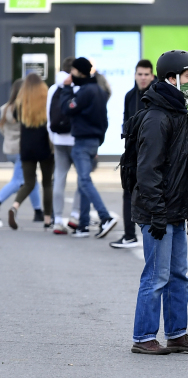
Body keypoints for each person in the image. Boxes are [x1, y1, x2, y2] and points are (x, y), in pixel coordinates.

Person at [130, 50, 188, 355]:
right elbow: (147, 171)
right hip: (158, 211)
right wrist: (157, 212)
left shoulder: (178, 111)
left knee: (179, 275)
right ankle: (144, 336)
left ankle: (177, 333)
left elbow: (170, 161)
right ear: (171, 78)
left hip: (175, 208)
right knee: (156, 275)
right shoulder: (157, 116)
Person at [66, 57, 118, 239]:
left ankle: (105, 217)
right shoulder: (99, 91)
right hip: (93, 141)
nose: (71, 74)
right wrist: (99, 141)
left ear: (79, 72)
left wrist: (66, 89)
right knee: (82, 183)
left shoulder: (85, 91)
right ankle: (83, 225)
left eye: (73, 71)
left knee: (85, 181)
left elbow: (68, 109)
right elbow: (104, 120)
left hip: (82, 141)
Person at [110, 59, 154, 249]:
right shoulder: (130, 96)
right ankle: (129, 235)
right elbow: (125, 121)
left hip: (153, 155)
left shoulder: (157, 95)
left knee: (152, 195)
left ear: (152, 76)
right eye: (140, 74)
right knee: (128, 193)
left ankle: (154, 236)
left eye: (146, 74)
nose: (143, 78)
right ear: (135, 75)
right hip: (133, 154)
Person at [7, 74, 53, 230]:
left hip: (26, 147)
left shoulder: (21, 104)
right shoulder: (47, 101)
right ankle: (47, 219)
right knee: (47, 183)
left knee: (28, 183)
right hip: (45, 147)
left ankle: (14, 206)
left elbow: (15, 117)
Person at [0, 79, 44, 224]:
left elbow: (2, 129)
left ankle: (38, 211)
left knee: (31, 180)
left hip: (9, 149)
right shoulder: (24, 109)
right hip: (22, 150)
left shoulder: (4, 108)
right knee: (18, 180)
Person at [47, 59, 81, 234]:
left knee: (59, 178)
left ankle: (58, 220)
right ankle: (75, 216)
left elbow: (48, 117)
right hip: (77, 141)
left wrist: (53, 139)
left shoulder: (54, 88)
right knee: (82, 179)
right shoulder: (78, 88)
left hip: (59, 140)